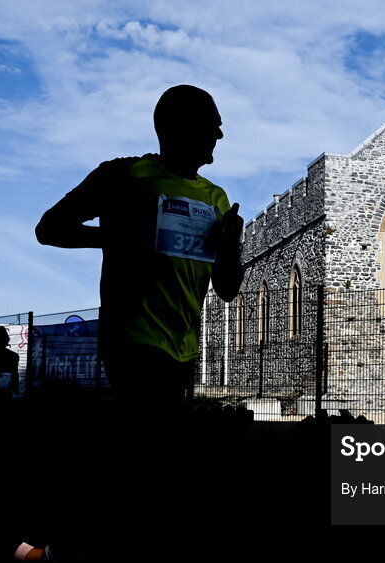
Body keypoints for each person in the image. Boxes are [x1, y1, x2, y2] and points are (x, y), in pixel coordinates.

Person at [35, 84, 244, 407]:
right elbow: (49, 229)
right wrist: (123, 238)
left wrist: (231, 244)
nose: (219, 134)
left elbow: (227, 289)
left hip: (185, 349)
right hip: (133, 342)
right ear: (178, 126)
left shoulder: (217, 198)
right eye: (211, 123)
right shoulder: (122, 176)